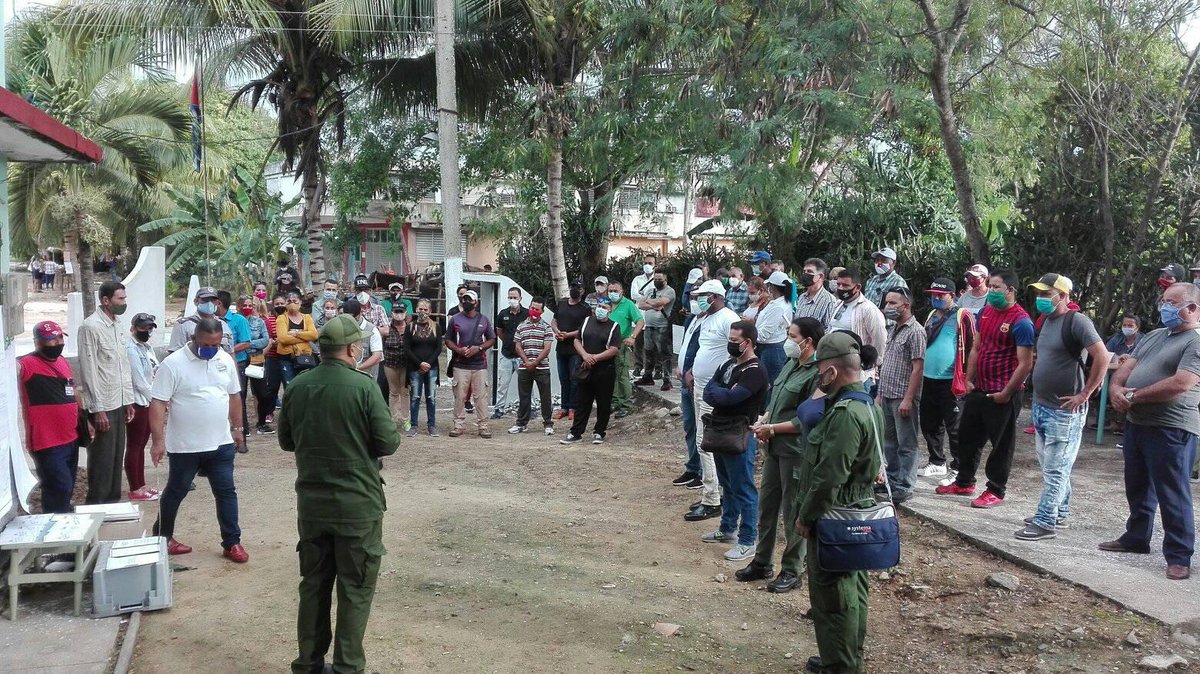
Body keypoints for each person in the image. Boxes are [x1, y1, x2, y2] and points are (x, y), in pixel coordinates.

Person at [277, 314, 402, 674]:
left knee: (313, 585)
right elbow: (388, 443)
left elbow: (287, 441)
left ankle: (309, 663)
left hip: (313, 506)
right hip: (357, 506)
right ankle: (348, 667)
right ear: (351, 349)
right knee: (356, 588)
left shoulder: (299, 386)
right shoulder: (363, 387)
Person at [796, 332, 883, 674]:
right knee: (851, 591)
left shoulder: (846, 413)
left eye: (821, 369)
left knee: (835, 597)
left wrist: (807, 516)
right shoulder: (868, 405)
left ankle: (842, 665)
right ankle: (841, 658)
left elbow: (829, 476)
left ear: (833, 371)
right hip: (853, 509)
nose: (818, 375)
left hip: (836, 514)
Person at [1103, 282, 1200, 580]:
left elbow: (1181, 383)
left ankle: (1179, 555)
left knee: (1172, 492)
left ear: (1192, 308)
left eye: (1172, 302)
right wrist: (1117, 389)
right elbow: (1126, 366)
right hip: (1138, 424)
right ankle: (1136, 537)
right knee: (1138, 485)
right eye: (1163, 301)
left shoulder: (1194, 342)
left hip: (1172, 427)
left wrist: (1133, 396)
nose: (1164, 307)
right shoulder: (1157, 335)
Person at [1015, 273, 1108, 541]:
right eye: (1040, 294)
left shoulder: (1077, 321)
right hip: (1043, 405)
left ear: (1064, 296)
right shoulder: (1045, 321)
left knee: (1056, 467)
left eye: (1048, 294)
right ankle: (1059, 511)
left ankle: (1045, 522)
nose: (1042, 299)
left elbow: (1100, 355)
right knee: (1052, 465)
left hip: (1064, 410)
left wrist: (1085, 393)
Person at [149, 318, 248, 562]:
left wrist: (238, 429)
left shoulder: (224, 359)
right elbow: (158, 403)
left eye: (216, 345)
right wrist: (158, 441)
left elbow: (234, 396)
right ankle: (162, 537)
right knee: (176, 491)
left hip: (220, 443)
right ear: (193, 338)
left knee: (226, 492)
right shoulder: (173, 364)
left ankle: (232, 542)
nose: (211, 350)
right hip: (185, 445)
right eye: (206, 344)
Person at [739, 317, 825, 593]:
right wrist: (765, 419)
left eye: (792, 335)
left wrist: (772, 428)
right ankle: (762, 561)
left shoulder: (817, 373)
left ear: (808, 341)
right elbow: (777, 400)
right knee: (768, 506)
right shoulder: (791, 364)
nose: (788, 340)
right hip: (774, 448)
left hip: (795, 451)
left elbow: (806, 419)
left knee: (792, 512)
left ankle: (792, 570)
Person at [935, 270, 1034, 509]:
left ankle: (996, 490)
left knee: (1001, 444)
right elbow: (976, 348)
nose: (991, 291)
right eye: (990, 286)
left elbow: (1026, 363)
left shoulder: (1021, 322)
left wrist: (1007, 393)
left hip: (1003, 392)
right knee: (968, 438)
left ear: (1011, 290)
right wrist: (969, 379)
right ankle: (964, 481)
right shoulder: (986, 313)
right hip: (979, 388)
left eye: (997, 287)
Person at [701, 320, 769, 562]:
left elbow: (730, 398)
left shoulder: (755, 371)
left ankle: (748, 540)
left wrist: (721, 394)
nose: (730, 344)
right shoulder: (730, 363)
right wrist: (722, 394)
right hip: (721, 430)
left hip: (740, 433)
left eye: (733, 341)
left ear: (747, 342)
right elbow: (710, 390)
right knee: (727, 483)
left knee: (743, 487)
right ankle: (727, 528)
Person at [682, 279, 740, 522]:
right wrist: (692, 369)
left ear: (715, 296)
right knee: (702, 440)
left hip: (713, 390)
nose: (697, 300)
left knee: (706, 442)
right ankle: (713, 492)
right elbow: (705, 348)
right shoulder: (707, 318)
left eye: (703, 296)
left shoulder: (729, 318)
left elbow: (738, 352)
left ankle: (712, 499)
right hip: (700, 386)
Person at [78, 281, 135, 504]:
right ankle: (97, 506)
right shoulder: (90, 327)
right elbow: (89, 369)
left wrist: (128, 400)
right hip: (103, 404)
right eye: (120, 299)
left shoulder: (118, 324)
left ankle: (112, 505)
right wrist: (98, 409)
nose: (124, 303)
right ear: (105, 300)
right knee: (102, 459)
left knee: (116, 456)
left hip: (119, 401)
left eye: (124, 298)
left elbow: (123, 366)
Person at [17, 321, 79, 513]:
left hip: (71, 437)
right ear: (38, 342)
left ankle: (65, 521)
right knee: (58, 487)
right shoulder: (27, 364)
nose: (57, 343)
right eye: (51, 340)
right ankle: (54, 527)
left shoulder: (63, 362)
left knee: (67, 487)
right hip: (47, 442)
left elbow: (71, 391)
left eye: (59, 337)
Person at [918, 278, 975, 482]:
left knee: (955, 427)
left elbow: (972, 347)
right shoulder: (932, 315)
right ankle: (936, 461)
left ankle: (959, 467)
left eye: (941, 295)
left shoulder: (962, 316)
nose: (936, 298)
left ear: (952, 295)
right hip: (928, 378)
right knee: (929, 422)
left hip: (951, 380)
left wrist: (969, 377)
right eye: (933, 294)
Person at [874, 288, 926, 505]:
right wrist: (880, 393)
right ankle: (892, 481)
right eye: (887, 302)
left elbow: (918, 368)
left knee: (907, 443)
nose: (888, 307)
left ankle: (905, 485)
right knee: (889, 442)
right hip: (887, 394)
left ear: (906, 305)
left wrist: (908, 398)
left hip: (903, 396)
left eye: (893, 303)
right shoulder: (895, 328)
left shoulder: (915, 331)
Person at [561, 297, 623, 444]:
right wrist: (585, 355)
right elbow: (577, 340)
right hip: (585, 368)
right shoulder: (587, 321)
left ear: (610, 310)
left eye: (604, 307)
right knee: (582, 402)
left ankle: (599, 432)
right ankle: (575, 432)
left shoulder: (614, 326)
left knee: (603, 402)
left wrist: (595, 358)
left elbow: (614, 349)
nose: (601, 309)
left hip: (604, 370)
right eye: (599, 306)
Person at [446, 289, 496, 438]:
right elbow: (448, 339)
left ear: (476, 302)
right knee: (459, 396)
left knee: (481, 397)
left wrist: (479, 348)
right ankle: (458, 425)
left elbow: (492, 339)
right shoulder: (455, 319)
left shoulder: (484, 320)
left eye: (470, 299)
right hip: (460, 364)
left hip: (479, 364)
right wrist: (458, 350)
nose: (466, 302)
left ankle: (483, 426)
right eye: (464, 299)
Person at [830, 268, 888, 390]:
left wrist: (869, 364)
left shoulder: (868, 310)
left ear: (857, 287)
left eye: (845, 285)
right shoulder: (838, 304)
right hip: (834, 368)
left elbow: (880, 340)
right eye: (839, 284)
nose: (841, 288)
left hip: (858, 374)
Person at [125, 313, 160, 501]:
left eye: (149, 328)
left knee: (142, 445)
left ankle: (142, 484)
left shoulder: (147, 347)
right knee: (135, 445)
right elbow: (139, 381)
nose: (146, 331)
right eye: (142, 328)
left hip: (149, 401)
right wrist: (157, 400)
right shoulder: (131, 348)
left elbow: (156, 370)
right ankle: (135, 488)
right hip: (139, 402)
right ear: (134, 328)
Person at [510, 298, 556, 435]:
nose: (534, 311)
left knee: (545, 397)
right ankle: (521, 423)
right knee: (524, 396)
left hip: (542, 368)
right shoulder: (521, 326)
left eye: (537, 309)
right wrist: (526, 361)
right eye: (532, 308)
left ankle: (548, 424)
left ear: (542, 311)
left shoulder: (546, 327)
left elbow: (547, 348)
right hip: (524, 368)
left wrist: (534, 362)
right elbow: (517, 345)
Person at [217, 290, 253, 450]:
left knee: (238, 398)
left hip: (237, 364)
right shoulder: (211, 321)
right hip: (215, 366)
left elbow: (246, 342)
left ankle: (241, 438)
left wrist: (226, 352)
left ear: (219, 303)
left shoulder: (239, 320)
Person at [552, 281, 592, 420]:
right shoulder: (562, 303)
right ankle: (564, 407)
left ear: (583, 291)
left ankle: (573, 408)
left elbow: (585, 329)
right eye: (573, 287)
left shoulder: (585, 308)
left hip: (575, 349)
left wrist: (568, 335)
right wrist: (557, 331)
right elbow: (554, 320)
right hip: (561, 348)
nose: (575, 290)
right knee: (563, 379)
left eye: (578, 288)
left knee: (574, 378)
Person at [606, 280, 645, 418]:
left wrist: (633, 337)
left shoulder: (628, 305)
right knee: (610, 375)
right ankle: (614, 402)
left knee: (622, 375)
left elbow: (640, 321)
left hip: (621, 344)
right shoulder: (605, 304)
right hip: (605, 345)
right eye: (610, 291)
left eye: (615, 291)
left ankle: (626, 404)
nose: (613, 293)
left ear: (622, 291)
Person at [405, 299, 444, 436]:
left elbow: (439, 348)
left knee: (431, 396)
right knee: (415, 396)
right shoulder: (410, 327)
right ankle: (414, 425)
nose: (422, 312)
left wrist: (428, 363)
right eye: (420, 309)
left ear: (430, 311)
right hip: (415, 367)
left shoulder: (436, 327)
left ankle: (431, 425)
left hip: (432, 367)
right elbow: (407, 348)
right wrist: (419, 363)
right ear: (416, 310)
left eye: (425, 309)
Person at [635, 269, 677, 390]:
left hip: (662, 327)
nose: (657, 281)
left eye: (660, 279)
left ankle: (667, 380)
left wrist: (650, 301)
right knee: (648, 352)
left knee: (664, 355)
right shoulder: (650, 290)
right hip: (649, 326)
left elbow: (662, 302)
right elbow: (641, 304)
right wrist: (653, 303)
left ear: (665, 280)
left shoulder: (669, 291)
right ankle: (648, 376)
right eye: (655, 279)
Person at [493, 287, 530, 419]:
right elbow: (499, 332)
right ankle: (499, 409)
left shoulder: (527, 314)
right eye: (510, 297)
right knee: (502, 385)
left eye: (514, 297)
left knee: (525, 385)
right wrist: (509, 342)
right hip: (507, 355)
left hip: (523, 356)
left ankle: (526, 410)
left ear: (520, 298)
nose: (512, 300)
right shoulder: (503, 314)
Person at [240, 295, 273, 435]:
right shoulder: (236, 321)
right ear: (239, 307)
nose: (248, 308)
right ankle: (243, 427)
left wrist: (246, 343)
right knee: (241, 393)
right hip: (240, 359)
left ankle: (262, 423)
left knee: (262, 393)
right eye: (245, 305)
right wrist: (245, 344)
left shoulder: (259, 322)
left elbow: (265, 340)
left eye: (250, 306)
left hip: (256, 358)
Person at [167, 287, 234, 354]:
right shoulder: (183, 325)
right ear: (196, 302)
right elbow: (174, 353)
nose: (209, 303)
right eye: (205, 299)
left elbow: (231, 353)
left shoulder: (223, 324)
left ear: (218, 303)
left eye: (213, 300)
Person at [756, 271, 794, 384]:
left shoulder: (778, 307)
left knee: (770, 384)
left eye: (768, 286)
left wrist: (749, 334)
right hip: (770, 348)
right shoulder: (778, 303)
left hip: (771, 350)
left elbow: (764, 334)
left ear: (772, 287)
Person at [275, 291, 319, 388]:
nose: (292, 303)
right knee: (289, 386)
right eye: (289, 301)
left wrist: (296, 333)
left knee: (305, 385)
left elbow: (314, 335)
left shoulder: (307, 318)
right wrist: (304, 338)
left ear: (300, 302)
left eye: (294, 301)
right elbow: (283, 338)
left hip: (304, 356)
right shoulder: (281, 318)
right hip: (286, 358)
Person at [382, 302, 411, 433]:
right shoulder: (386, 329)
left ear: (405, 313)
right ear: (392, 313)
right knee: (393, 392)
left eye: (401, 312)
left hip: (406, 364)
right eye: (396, 312)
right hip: (390, 364)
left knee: (405, 392)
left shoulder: (411, 328)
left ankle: (406, 419)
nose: (399, 315)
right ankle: (394, 419)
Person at [630, 253, 658, 379]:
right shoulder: (637, 279)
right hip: (639, 315)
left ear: (655, 265)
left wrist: (643, 296)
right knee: (638, 343)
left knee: (654, 344)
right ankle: (638, 366)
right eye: (645, 263)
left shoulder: (658, 279)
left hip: (653, 316)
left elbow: (658, 296)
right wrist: (648, 297)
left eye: (650, 263)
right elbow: (633, 295)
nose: (647, 265)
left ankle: (657, 368)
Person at [340, 299, 384, 380]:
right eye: (347, 317)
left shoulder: (372, 330)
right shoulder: (340, 327)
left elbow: (377, 356)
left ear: (360, 313)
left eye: (353, 316)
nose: (350, 319)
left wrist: (357, 369)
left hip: (366, 379)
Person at [262, 294, 288, 426]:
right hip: (273, 357)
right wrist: (275, 341)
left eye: (282, 303)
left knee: (289, 386)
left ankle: (289, 413)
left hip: (289, 357)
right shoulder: (268, 320)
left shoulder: (290, 318)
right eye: (277, 304)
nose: (279, 306)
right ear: (273, 305)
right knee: (272, 386)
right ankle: (269, 412)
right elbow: (268, 338)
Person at [794, 258, 837, 328]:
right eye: (804, 271)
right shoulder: (802, 297)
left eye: (809, 271)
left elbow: (829, 329)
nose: (805, 274)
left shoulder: (829, 301)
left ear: (820, 276)